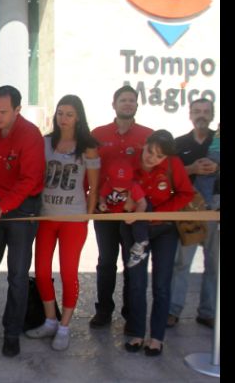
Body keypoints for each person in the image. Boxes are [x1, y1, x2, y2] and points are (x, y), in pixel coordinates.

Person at [0, 85, 45, 357]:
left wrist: (2, 208)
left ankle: (11, 332)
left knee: (17, 275)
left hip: (23, 209)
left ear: (17, 110)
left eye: (3, 111)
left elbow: (29, 181)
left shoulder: (30, 135)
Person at [25, 95, 99, 351]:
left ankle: (65, 326)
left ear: (78, 116)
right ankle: (50, 320)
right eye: (60, 113)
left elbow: (94, 185)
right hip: (46, 216)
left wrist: (87, 216)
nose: (63, 118)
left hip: (73, 220)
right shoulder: (45, 143)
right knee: (42, 271)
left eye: (69, 113)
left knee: (69, 273)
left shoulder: (88, 146)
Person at [123, 130, 194, 356]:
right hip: (134, 229)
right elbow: (117, 186)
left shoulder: (175, 164)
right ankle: (136, 333)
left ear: (167, 158)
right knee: (135, 282)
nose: (151, 158)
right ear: (145, 144)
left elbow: (186, 193)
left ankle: (156, 337)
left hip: (165, 229)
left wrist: (159, 213)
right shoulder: (131, 161)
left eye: (159, 156)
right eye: (150, 151)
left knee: (161, 285)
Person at [89, 85, 153, 329]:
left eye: (132, 100)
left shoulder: (148, 135)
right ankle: (103, 311)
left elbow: (155, 168)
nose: (128, 103)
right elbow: (89, 169)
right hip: (104, 211)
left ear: (137, 105)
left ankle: (130, 314)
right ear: (113, 104)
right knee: (106, 261)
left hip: (133, 213)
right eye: (123, 100)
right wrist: (91, 202)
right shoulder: (98, 134)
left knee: (131, 262)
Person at [168, 99, 220, 329]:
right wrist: (192, 169)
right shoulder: (179, 143)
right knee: (181, 262)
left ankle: (207, 312)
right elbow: (169, 175)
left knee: (214, 264)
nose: (201, 115)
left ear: (212, 115)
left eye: (206, 112)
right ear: (190, 114)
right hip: (189, 208)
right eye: (197, 111)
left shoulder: (218, 141)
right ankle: (173, 310)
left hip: (215, 209)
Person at [97, 160, 149, 268]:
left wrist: (135, 216)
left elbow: (142, 203)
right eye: (116, 184)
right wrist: (102, 204)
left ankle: (140, 243)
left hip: (127, 220)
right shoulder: (107, 185)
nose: (120, 188)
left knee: (127, 256)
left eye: (123, 184)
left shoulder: (134, 187)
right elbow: (102, 196)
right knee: (106, 257)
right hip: (109, 219)